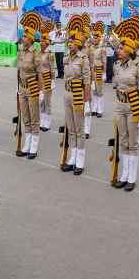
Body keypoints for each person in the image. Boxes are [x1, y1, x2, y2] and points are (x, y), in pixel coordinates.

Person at [111, 24, 139, 191]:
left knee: (132, 143)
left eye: (122, 49)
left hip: (133, 106)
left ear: (129, 52)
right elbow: (115, 87)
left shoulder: (137, 67)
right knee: (123, 140)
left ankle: (132, 178)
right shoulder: (116, 66)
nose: (119, 51)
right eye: (119, 48)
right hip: (120, 105)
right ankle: (124, 175)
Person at [61, 30, 91, 174]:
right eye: (69, 42)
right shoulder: (66, 57)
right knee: (71, 128)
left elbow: (87, 81)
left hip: (78, 94)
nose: (69, 44)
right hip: (67, 93)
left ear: (78, 44)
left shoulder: (83, 58)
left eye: (72, 42)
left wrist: (87, 102)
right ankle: (72, 158)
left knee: (79, 129)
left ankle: (80, 161)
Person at [16, 21, 46, 159]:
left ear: (31, 39)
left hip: (33, 87)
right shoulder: (21, 51)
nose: (23, 39)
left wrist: (41, 91)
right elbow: (19, 70)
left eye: (26, 37)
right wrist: (18, 88)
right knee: (25, 117)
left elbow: (40, 73)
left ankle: (34, 146)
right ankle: (26, 144)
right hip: (22, 88)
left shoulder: (36, 53)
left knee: (34, 118)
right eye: (23, 36)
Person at [38, 34, 55, 132]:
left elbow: (52, 68)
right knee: (41, 101)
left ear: (47, 43)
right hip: (40, 80)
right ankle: (42, 121)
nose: (41, 43)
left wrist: (52, 81)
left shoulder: (50, 54)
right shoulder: (39, 53)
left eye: (43, 41)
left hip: (47, 79)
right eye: (40, 41)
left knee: (47, 102)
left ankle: (47, 123)